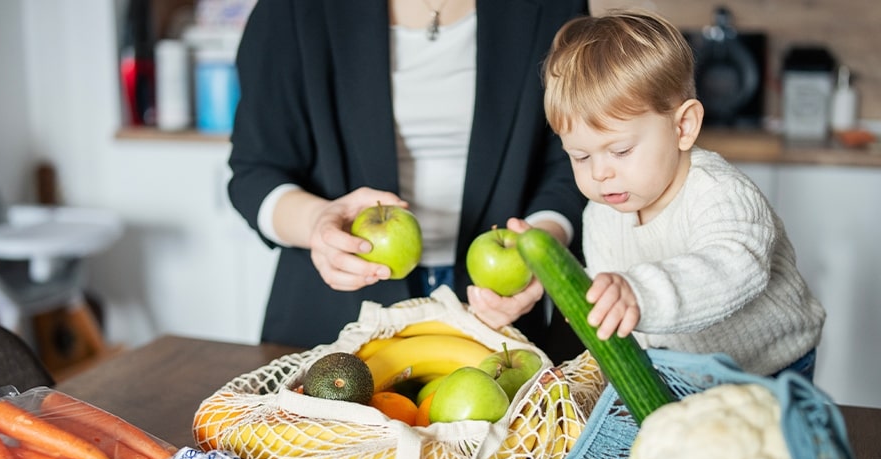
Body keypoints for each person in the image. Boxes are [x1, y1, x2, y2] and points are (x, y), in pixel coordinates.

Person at [227, 0, 589, 361]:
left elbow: (571, 159)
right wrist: (317, 223)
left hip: (501, 314)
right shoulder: (291, 8)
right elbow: (255, 170)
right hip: (331, 315)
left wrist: (542, 246)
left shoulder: (552, 6)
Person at [541, 9, 826, 379]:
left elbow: (734, 267)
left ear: (684, 127)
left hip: (770, 366)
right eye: (580, 157)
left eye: (621, 151)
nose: (599, 173)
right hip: (686, 371)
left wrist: (638, 293)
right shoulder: (601, 214)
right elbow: (622, 312)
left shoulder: (719, 190)